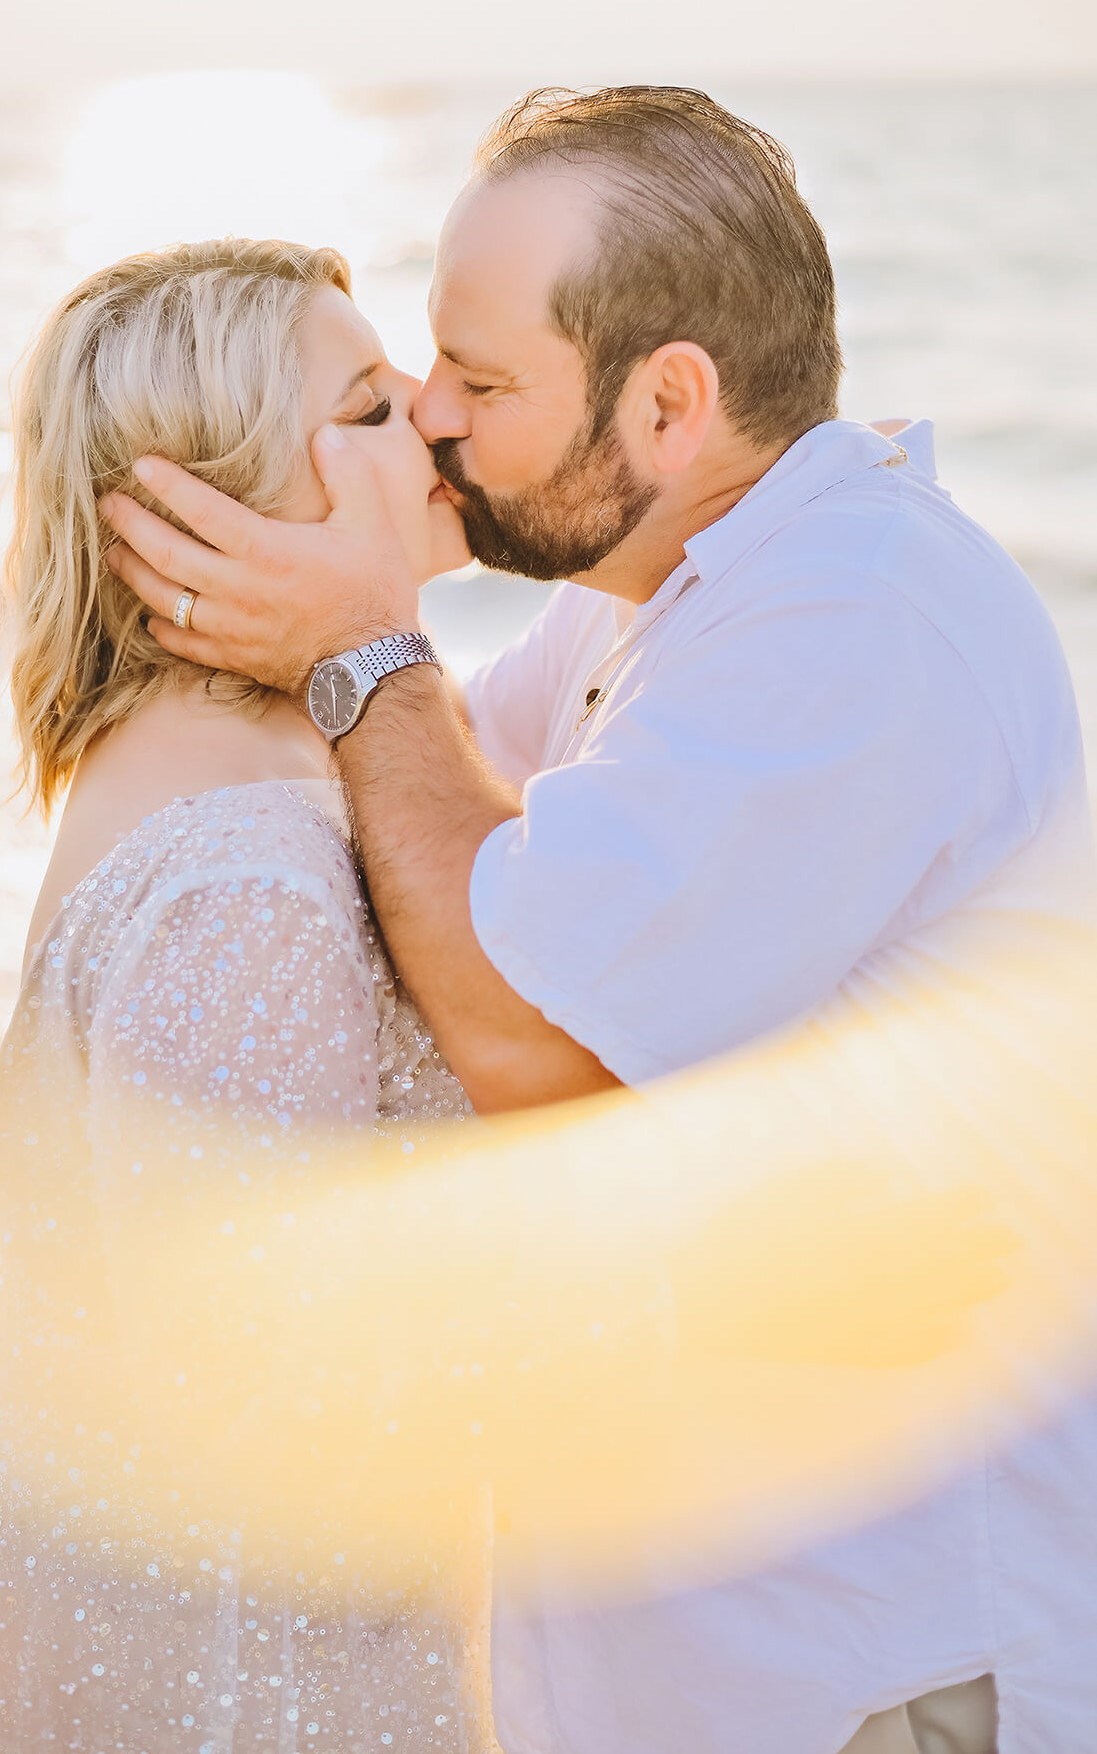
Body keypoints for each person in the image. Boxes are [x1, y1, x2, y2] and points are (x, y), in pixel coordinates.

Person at [103, 88, 1097, 1754]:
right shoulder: (646, 609)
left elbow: (520, 1019)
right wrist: (261, 657)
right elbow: (389, 856)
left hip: (859, 1658)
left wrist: (355, 645)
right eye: (422, 369)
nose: (427, 415)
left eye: (480, 382)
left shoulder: (851, 619)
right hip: (708, 1630)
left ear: (668, 403)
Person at [0, 238, 487, 1754]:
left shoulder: (222, 760)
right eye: (365, 402)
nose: (433, 404)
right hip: (207, 1628)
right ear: (205, 511)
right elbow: (262, 1393)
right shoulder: (249, 884)